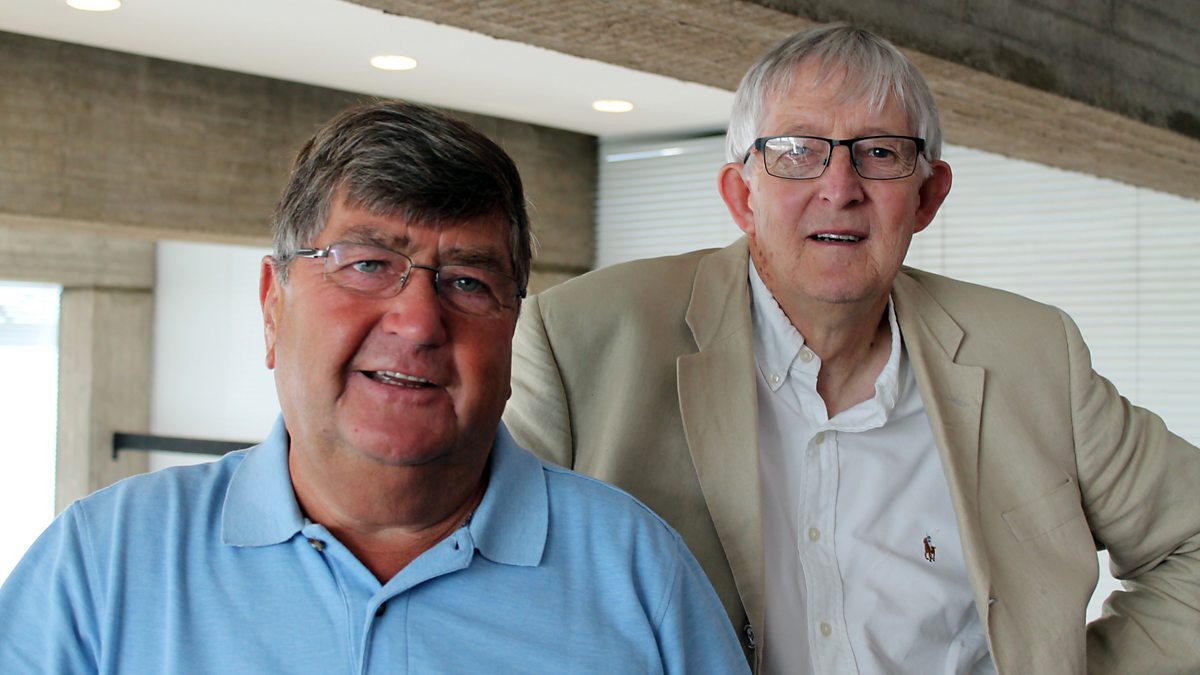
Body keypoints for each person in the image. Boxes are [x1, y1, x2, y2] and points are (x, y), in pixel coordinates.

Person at [504, 24, 1200, 674]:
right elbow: (484, 589)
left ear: (928, 197)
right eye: (797, 151)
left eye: (880, 153)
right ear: (742, 195)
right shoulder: (580, 339)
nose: (840, 189)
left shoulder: (1034, 354)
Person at [0, 101, 749, 674]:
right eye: (366, 265)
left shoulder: (639, 574)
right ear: (272, 305)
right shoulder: (104, 562)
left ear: (511, 327)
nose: (418, 322)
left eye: (468, 280)